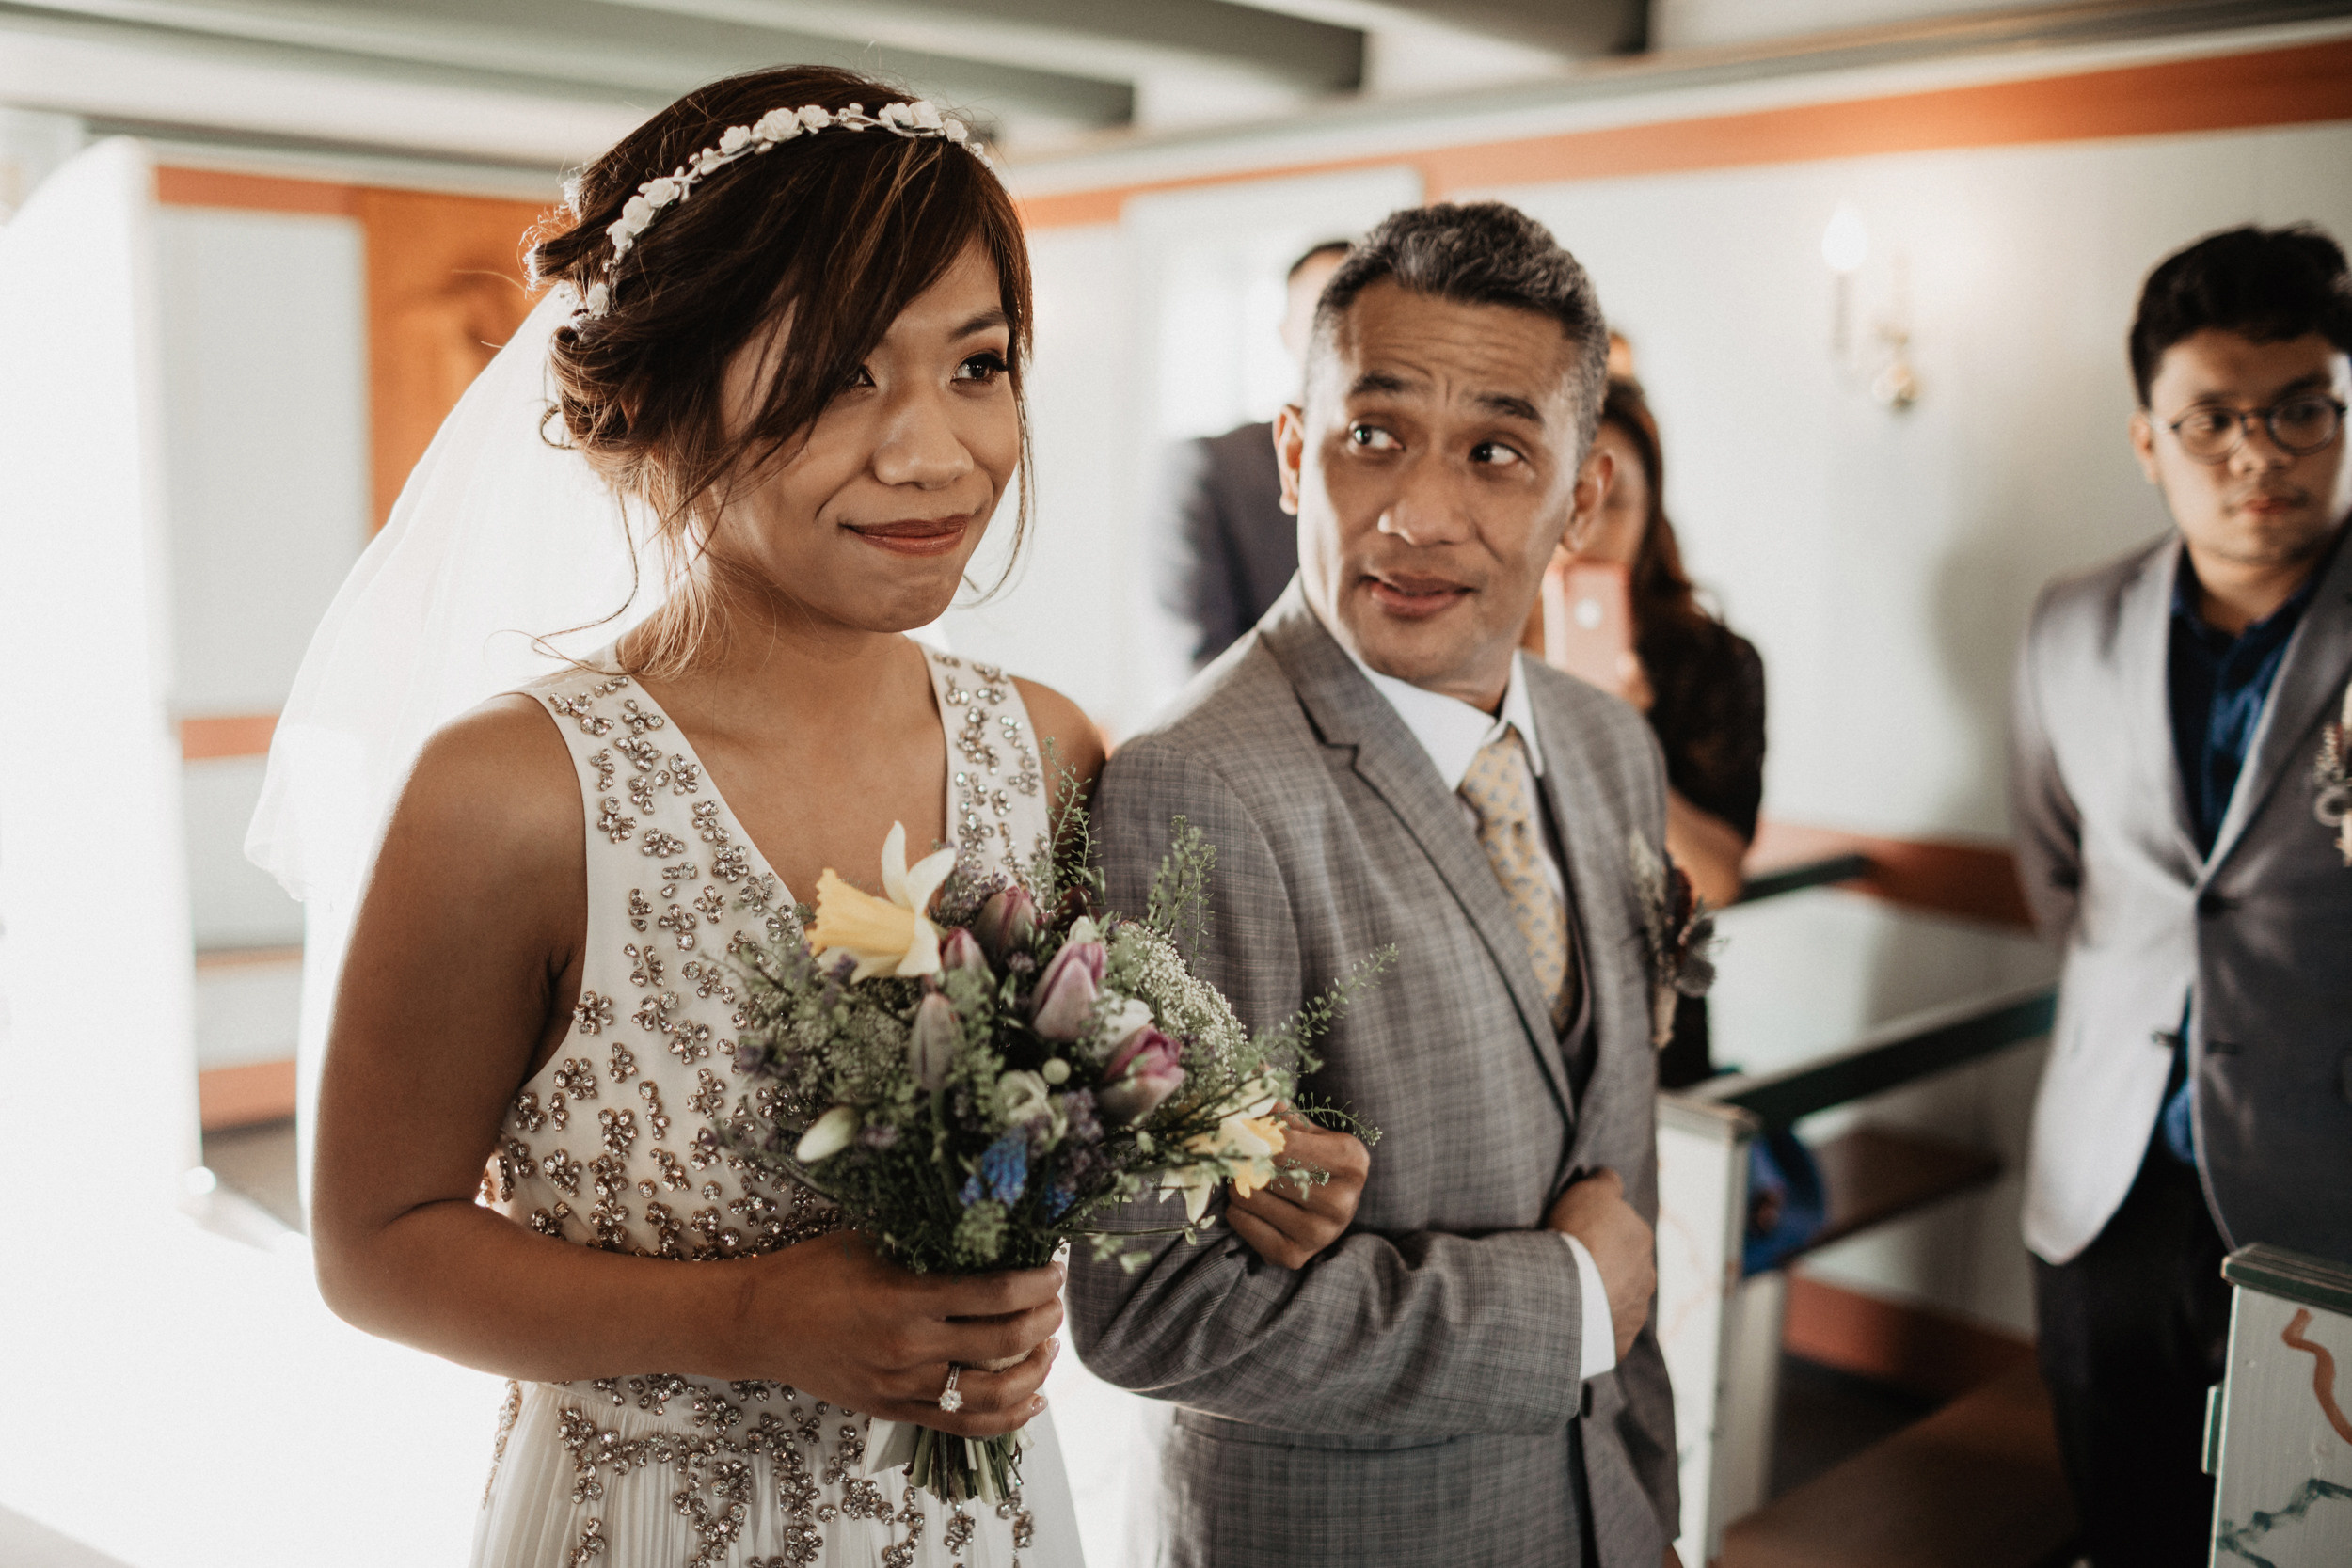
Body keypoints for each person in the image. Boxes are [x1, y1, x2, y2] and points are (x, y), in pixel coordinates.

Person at [260, 65, 1336, 1566]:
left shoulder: (1046, 751)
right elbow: (373, 1249)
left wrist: (1223, 1138)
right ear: (657, 395)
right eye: (840, 375)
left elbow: (1067, 1098)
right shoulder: (510, 795)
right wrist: (751, 1316)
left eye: (979, 364)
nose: (935, 452)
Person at [1073, 201, 1681, 1568]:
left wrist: (1650, 1503)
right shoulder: (1195, 787)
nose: (1419, 512)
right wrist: (1573, 1296)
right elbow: (1153, 1309)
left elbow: (1607, 1142)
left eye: (1497, 453)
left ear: (1581, 498)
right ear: (1297, 453)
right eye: (1372, 435)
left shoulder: (1610, 748)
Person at [2009, 223, 2352, 1567]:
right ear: (2151, 439)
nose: (2256, 452)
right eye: (2212, 417)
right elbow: (2055, 872)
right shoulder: (2067, 621)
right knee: (2125, 1514)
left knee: (2303, 1541)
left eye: (2301, 409)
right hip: (2105, 1173)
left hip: (2326, 1178)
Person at [1542, 376, 1764, 1087]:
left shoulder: (1712, 663)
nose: (1584, 528)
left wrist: (1626, 737)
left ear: (1650, 516)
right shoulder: (1465, 651)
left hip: (1648, 1021)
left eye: (1616, 502)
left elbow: (1718, 879)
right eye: (1565, 495)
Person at [1151, 239, 1351, 672]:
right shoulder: (1210, 468)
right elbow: (1200, 660)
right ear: (1286, 332)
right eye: (1323, 315)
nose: (1343, 337)